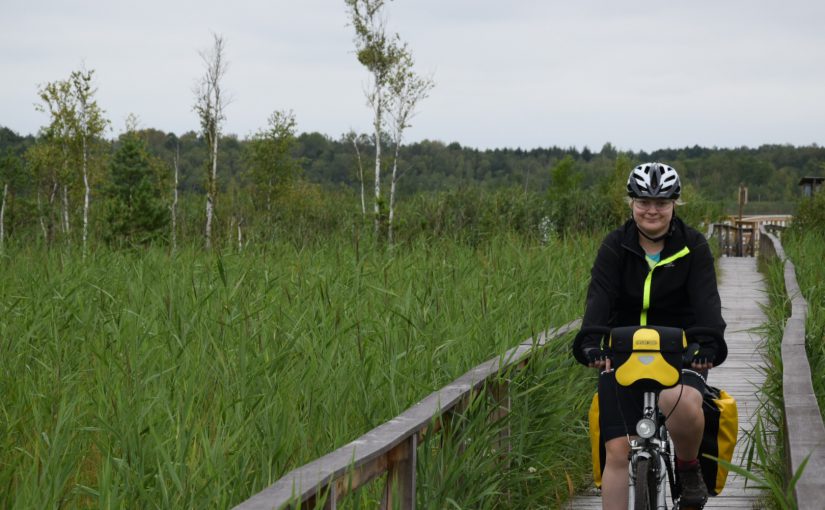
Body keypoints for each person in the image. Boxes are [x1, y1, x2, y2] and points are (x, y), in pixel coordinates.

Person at [572, 162, 727, 509]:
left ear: (675, 203)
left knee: (680, 401)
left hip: (681, 352)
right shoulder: (615, 246)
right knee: (617, 449)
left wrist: (708, 343)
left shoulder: (692, 246)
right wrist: (591, 341)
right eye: (643, 201)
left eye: (661, 202)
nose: (652, 210)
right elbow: (599, 297)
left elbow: (706, 302)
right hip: (623, 351)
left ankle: (687, 469)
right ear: (632, 204)